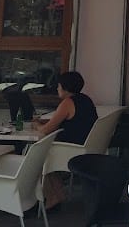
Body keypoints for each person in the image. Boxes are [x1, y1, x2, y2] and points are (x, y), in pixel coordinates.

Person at [33, 70, 97, 211]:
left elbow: (45, 131)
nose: (57, 88)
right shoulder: (86, 99)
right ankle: (57, 195)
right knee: (44, 152)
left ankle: (52, 198)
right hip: (84, 145)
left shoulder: (67, 102)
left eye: (59, 85)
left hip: (71, 150)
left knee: (37, 156)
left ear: (65, 87)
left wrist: (36, 124)